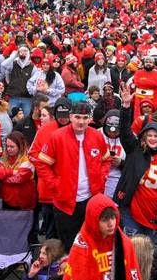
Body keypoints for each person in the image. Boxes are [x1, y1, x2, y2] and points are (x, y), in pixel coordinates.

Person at [36, 100, 108, 248]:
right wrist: (56, 185)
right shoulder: (57, 137)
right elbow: (42, 164)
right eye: (77, 117)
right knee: (69, 246)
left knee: (91, 242)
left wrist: (102, 178)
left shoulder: (97, 136)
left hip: (91, 200)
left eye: (85, 117)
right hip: (65, 203)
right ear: (70, 117)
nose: (81, 121)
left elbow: (106, 161)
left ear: (90, 119)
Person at [115, 121, 157, 237]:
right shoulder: (135, 152)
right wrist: (125, 107)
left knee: (152, 254)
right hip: (132, 216)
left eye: (156, 136)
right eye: (149, 135)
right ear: (144, 137)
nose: (153, 138)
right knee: (133, 252)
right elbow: (125, 132)